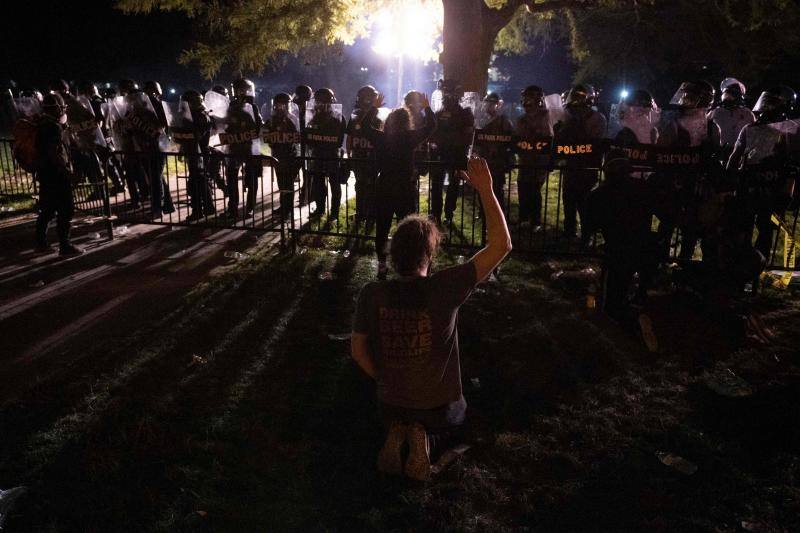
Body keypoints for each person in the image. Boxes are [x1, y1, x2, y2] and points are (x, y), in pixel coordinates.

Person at [350, 156, 512, 481]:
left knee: (399, 413)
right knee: (464, 422)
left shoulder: (371, 293)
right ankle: (427, 440)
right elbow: (501, 245)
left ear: (395, 256)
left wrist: (384, 377)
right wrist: (486, 190)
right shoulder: (446, 287)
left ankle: (399, 433)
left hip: (390, 402)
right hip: (437, 407)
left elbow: (357, 351)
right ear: (430, 254)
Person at [584, 149, 660, 351]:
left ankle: (630, 321)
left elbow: (589, 228)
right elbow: (662, 214)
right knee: (636, 284)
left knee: (610, 305)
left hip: (617, 252)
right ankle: (639, 299)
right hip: (646, 248)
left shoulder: (597, 195)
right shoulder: (644, 188)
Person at [359, 92, 436, 279]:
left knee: (382, 227)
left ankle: (382, 263)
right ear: (406, 121)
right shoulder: (410, 137)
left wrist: (374, 108)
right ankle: (409, 263)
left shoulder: (381, 137)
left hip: (384, 185)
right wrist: (427, 107)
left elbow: (364, 126)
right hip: (404, 187)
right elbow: (431, 127)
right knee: (408, 227)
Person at [727, 85, 798, 262]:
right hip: (748, 185)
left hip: (773, 187)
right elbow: (735, 156)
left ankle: (759, 266)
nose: (767, 108)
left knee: (766, 228)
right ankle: (741, 264)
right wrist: (728, 180)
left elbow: (793, 164)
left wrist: (787, 192)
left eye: (772, 104)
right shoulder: (749, 129)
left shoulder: (789, 131)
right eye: (765, 103)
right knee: (743, 225)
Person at [553, 84, 607, 242]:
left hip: (587, 167)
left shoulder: (598, 118)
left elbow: (594, 143)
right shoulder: (567, 116)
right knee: (568, 200)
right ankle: (569, 231)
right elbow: (560, 140)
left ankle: (587, 234)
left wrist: (576, 125)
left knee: (585, 203)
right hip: (571, 165)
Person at [34, 93, 82, 256]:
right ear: (56, 108)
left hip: (45, 174)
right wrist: (67, 172)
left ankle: (41, 243)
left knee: (47, 210)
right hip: (57, 175)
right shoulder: (53, 127)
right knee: (66, 210)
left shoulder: (41, 123)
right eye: (61, 107)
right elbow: (54, 153)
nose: (63, 111)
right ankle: (65, 246)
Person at [429, 79, 475, 225]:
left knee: (453, 185)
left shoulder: (465, 113)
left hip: (456, 153)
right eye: (445, 91)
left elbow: (468, 136)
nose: (446, 95)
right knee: (436, 185)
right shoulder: (438, 112)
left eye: (449, 91)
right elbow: (432, 133)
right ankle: (436, 214)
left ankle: (448, 214)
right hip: (440, 152)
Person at [514, 85, 554, 230]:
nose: (526, 102)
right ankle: (524, 218)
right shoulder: (522, 119)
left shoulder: (547, 117)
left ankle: (535, 221)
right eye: (525, 99)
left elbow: (549, 137)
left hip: (539, 160)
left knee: (534, 190)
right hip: (525, 158)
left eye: (529, 99)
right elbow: (517, 138)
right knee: (523, 188)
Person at [305, 87, 346, 221]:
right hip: (317, 154)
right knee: (318, 183)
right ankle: (320, 209)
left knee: (334, 183)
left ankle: (334, 212)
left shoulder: (338, 117)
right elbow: (307, 135)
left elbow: (339, 141)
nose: (321, 104)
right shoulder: (312, 116)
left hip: (331, 154)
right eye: (319, 102)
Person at [224, 78, 263, 218]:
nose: (240, 93)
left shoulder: (252, 107)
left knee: (252, 178)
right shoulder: (229, 106)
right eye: (238, 90)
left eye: (243, 90)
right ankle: (232, 207)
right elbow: (224, 125)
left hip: (249, 147)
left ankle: (250, 207)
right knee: (231, 178)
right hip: (233, 147)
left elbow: (258, 126)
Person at [347, 85, 383, 229]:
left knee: (371, 185)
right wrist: (349, 153)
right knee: (360, 185)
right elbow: (350, 136)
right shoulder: (356, 115)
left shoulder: (378, 115)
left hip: (372, 156)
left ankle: (370, 214)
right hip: (359, 155)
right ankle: (362, 212)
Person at [262, 92, 301, 220]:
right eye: (278, 105)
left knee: (288, 183)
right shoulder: (272, 119)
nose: (280, 107)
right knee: (281, 182)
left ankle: (288, 209)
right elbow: (266, 136)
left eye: (283, 105)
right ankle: (283, 206)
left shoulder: (293, 118)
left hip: (290, 155)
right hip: (277, 155)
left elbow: (297, 137)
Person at [473, 92, 514, 213]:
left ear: (498, 105)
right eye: (488, 104)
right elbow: (476, 140)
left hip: (498, 162)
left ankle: (497, 212)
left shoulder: (504, 121)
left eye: (492, 104)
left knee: (497, 189)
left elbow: (510, 139)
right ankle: (483, 211)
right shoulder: (481, 121)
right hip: (484, 160)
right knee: (482, 188)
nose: (489, 106)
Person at [143, 80, 175, 216]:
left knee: (155, 177)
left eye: (149, 91)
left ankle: (157, 208)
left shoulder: (158, 106)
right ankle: (167, 205)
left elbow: (164, 124)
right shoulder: (145, 106)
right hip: (151, 145)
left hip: (158, 145)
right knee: (157, 176)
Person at [708, 78, 755, 162]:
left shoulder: (747, 113)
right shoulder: (715, 112)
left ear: (738, 97)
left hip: (741, 154)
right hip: (720, 153)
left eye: (731, 95)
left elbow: (755, 133)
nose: (727, 98)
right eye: (726, 95)